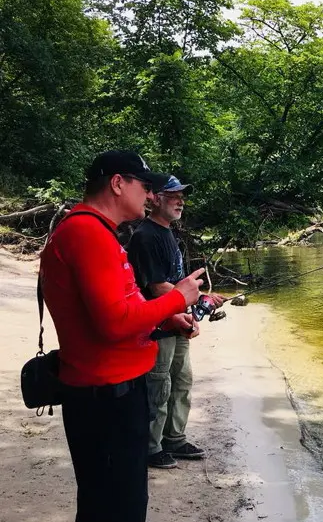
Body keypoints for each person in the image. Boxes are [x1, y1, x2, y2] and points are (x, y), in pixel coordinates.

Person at [39, 150, 207, 522]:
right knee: (119, 506)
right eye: (145, 186)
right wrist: (178, 297)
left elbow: (111, 317)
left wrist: (166, 320)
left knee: (110, 501)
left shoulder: (94, 232)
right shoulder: (86, 233)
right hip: (107, 397)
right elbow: (114, 323)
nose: (150, 196)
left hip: (108, 392)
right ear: (117, 183)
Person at [126, 174, 224, 469]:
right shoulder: (145, 235)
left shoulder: (168, 232)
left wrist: (196, 305)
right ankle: (151, 447)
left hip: (176, 317)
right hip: (157, 324)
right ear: (154, 198)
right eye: (172, 196)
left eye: (182, 196)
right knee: (159, 384)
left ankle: (175, 438)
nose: (180, 201)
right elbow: (157, 287)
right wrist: (190, 302)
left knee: (182, 380)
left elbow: (176, 283)